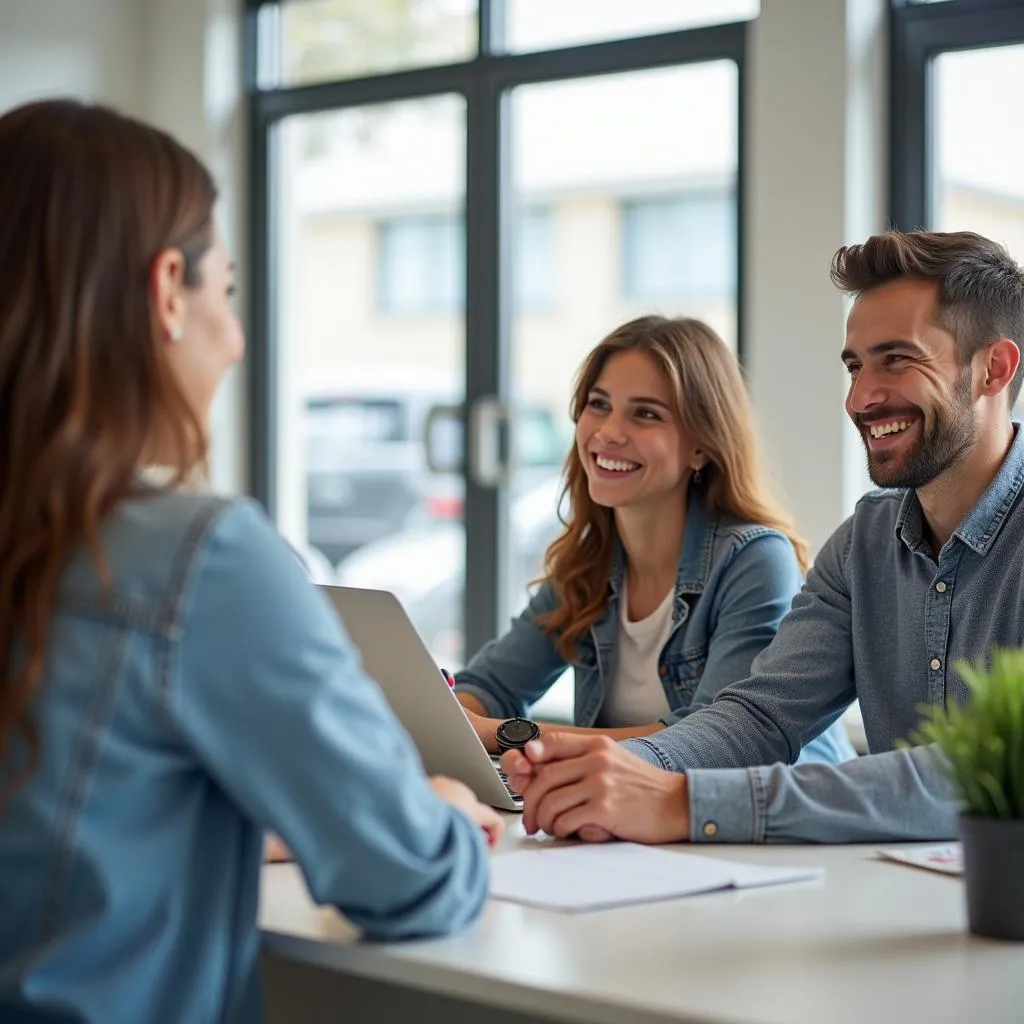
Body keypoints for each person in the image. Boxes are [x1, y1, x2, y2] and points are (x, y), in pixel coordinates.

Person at [0, 99, 502, 1024]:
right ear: (166, 294)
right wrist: (436, 813)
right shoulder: (196, 560)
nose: (233, 341)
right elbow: (406, 883)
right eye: (225, 293)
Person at [500, 229, 1024, 846]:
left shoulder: (756, 555)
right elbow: (760, 716)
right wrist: (622, 774)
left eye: (897, 360)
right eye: (855, 366)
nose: (861, 397)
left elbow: (980, 774)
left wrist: (681, 803)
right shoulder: (864, 544)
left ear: (995, 368)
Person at [454, 315, 855, 766]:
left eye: (645, 414)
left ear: (701, 445)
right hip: (639, 823)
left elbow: (713, 741)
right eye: (598, 404)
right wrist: (460, 716)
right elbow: (489, 687)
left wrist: (508, 735)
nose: (608, 432)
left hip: (776, 827)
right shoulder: (590, 561)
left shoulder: (755, 559)